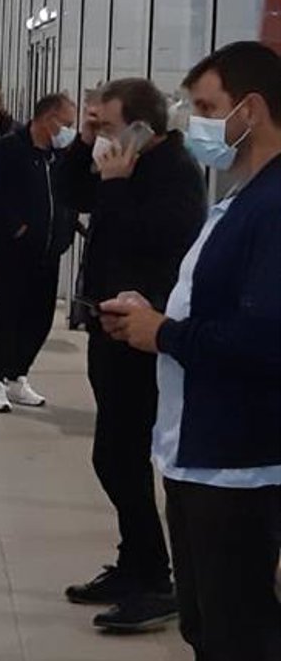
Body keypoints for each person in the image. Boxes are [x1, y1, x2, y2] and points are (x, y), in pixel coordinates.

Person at [101, 40, 281, 661]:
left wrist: (164, 334)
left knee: (242, 643)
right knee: (207, 630)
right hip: (198, 449)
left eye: (208, 109)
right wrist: (156, 316)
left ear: (253, 108)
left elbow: (264, 341)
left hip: (241, 460)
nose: (201, 124)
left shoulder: (276, 206)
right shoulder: (243, 195)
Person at [55, 77, 207, 632]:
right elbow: (71, 192)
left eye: (110, 127)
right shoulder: (123, 160)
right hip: (110, 325)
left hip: (143, 334)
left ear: (142, 129)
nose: (104, 137)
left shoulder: (174, 173)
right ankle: (136, 564)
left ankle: (155, 579)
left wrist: (116, 187)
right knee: (113, 456)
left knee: (121, 456)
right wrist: (83, 143)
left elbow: (147, 239)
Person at [0, 91, 77, 412]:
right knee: (6, 315)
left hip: (48, 251)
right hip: (11, 251)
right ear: (48, 119)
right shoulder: (10, 149)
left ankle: (17, 374)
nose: (69, 131)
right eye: (66, 123)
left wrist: (64, 231)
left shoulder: (60, 157)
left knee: (39, 318)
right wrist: (15, 228)